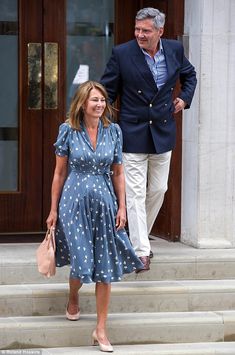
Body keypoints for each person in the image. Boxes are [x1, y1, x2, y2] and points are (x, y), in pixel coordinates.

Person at [46, 81, 143, 353]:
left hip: (105, 205)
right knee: (81, 260)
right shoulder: (68, 130)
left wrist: (122, 207)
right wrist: (53, 210)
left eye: (102, 100)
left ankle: (100, 328)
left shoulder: (114, 132)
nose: (100, 105)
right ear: (82, 104)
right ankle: (74, 294)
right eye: (94, 101)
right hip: (74, 204)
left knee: (105, 266)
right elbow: (59, 173)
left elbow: (119, 172)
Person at [100, 7, 197, 273]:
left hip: (163, 131)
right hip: (132, 132)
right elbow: (108, 89)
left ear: (160, 32)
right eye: (137, 29)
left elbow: (190, 75)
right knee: (134, 192)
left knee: (158, 190)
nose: (139, 35)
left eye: (146, 30)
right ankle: (141, 251)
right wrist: (96, 116)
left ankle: (136, 237)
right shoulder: (122, 53)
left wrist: (184, 98)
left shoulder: (174, 50)